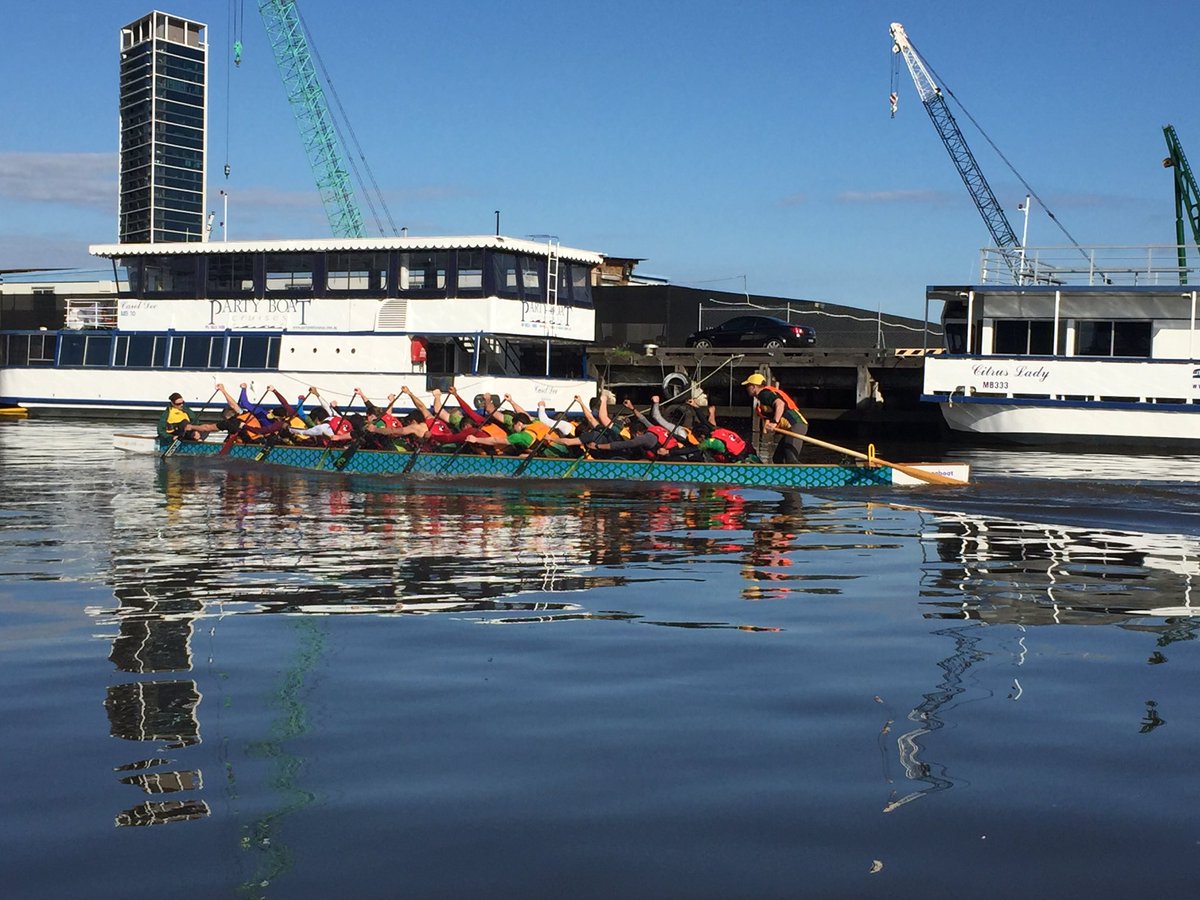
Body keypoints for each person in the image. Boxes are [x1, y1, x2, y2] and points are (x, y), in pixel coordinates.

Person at [742, 373, 808, 463]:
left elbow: (780, 404)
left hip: (796, 425)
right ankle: (783, 476)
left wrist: (775, 422)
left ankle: (802, 475)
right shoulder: (764, 398)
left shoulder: (764, 394)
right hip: (791, 428)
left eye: (748, 386)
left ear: (753, 386)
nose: (746, 389)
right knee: (778, 459)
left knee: (790, 459)